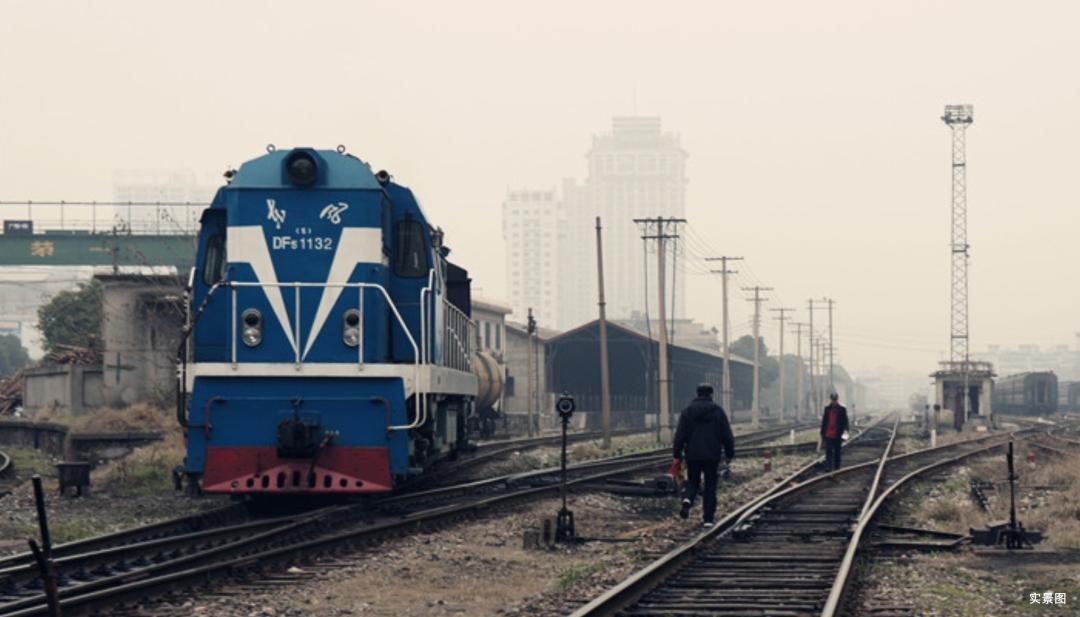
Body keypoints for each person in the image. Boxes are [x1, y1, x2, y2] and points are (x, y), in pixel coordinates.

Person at [672, 383, 735, 527]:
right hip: (712, 455)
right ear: (711, 394)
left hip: (693, 454)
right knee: (710, 486)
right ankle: (708, 519)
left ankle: (687, 498)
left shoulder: (687, 411)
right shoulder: (718, 411)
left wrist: (677, 454)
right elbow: (727, 435)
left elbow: (680, 435)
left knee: (692, 481)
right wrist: (729, 453)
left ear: (697, 393)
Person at [820, 392, 849, 470]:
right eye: (833, 400)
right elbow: (824, 421)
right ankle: (828, 466)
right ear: (831, 400)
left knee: (837, 451)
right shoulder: (827, 409)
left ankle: (837, 467)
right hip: (828, 433)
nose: (834, 401)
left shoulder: (842, 409)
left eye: (835, 400)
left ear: (837, 400)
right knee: (828, 451)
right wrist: (822, 432)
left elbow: (845, 422)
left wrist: (845, 432)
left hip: (838, 434)